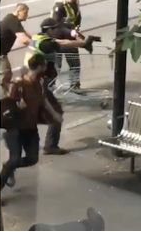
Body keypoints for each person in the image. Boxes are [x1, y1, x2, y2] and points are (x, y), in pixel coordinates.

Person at [24, 18, 98, 155]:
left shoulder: (39, 38)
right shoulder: (46, 44)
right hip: (39, 84)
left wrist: (83, 43)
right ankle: (49, 145)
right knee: (56, 113)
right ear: (49, 30)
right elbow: (62, 45)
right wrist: (84, 44)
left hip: (34, 83)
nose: (57, 31)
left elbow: (60, 42)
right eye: (55, 28)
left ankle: (37, 142)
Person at [0, 54, 63, 190]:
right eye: (44, 64)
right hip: (15, 129)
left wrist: (55, 114)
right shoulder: (19, 84)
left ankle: (9, 167)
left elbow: (44, 101)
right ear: (40, 67)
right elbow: (7, 103)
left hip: (30, 128)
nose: (46, 67)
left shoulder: (38, 83)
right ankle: (1, 184)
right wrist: (16, 103)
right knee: (15, 159)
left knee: (32, 158)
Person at [51, 0, 84, 90]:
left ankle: (75, 86)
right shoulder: (59, 6)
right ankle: (50, 88)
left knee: (75, 64)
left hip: (70, 40)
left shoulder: (75, 4)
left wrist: (77, 30)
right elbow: (56, 24)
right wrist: (71, 31)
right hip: (58, 40)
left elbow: (77, 18)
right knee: (56, 66)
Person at [0, 3, 32, 87]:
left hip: (0, 52)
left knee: (6, 73)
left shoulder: (12, 19)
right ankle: (2, 96)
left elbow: (24, 33)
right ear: (18, 11)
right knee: (5, 75)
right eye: (25, 13)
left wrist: (36, 38)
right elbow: (24, 39)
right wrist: (36, 45)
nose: (27, 16)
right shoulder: (13, 21)